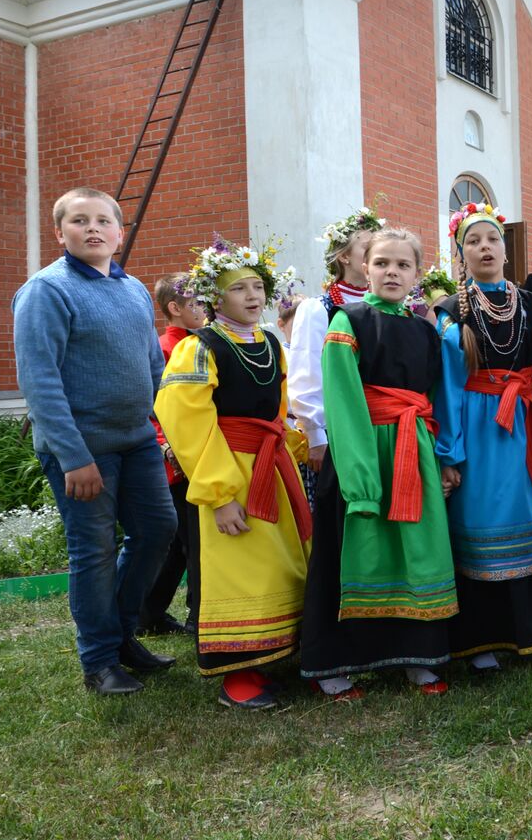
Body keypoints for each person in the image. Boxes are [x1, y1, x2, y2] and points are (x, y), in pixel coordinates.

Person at [12, 187, 178, 695]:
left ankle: (123, 635)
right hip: (84, 452)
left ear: (119, 233)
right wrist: (73, 457)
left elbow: (153, 365)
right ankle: (99, 661)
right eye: (79, 221)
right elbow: (40, 381)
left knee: (156, 530)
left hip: (138, 441)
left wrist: (164, 427)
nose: (93, 229)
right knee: (94, 549)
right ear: (59, 233)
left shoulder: (131, 290)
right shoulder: (47, 291)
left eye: (103, 221)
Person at [300, 228, 458, 699]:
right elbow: (344, 400)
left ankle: (416, 657)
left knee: (414, 551)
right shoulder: (347, 322)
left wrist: (441, 457)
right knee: (348, 552)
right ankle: (333, 663)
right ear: (363, 267)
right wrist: (360, 478)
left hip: (413, 450)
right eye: (383, 263)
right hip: (362, 454)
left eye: (403, 265)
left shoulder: (425, 331)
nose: (392, 272)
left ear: (416, 274)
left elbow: (436, 398)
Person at [153, 236, 310, 709]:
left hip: (272, 466)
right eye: (239, 288)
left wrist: (297, 449)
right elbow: (187, 420)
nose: (253, 296)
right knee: (237, 569)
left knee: (280, 559)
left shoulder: (269, 342)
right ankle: (236, 673)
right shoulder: (200, 349)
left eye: (258, 286)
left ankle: (275, 652)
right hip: (229, 469)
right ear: (214, 297)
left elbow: (278, 411)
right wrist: (219, 494)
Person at [434, 203, 532, 671]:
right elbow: (447, 390)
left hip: (526, 430)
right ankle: (480, 644)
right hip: (477, 434)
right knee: (479, 528)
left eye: (492, 239)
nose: (484, 248)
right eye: (473, 242)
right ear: (462, 255)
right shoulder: (451, 314)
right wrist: (449, 454)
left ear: (505, 248)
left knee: (531, 528)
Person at [289, 205, 384, 504]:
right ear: (344, 256)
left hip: (384, 428)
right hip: (339, 434)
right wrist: (316, 437)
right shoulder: (318, 309)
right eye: (368, 247)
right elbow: (307, 374)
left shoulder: (388, 306)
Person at [138, 274, 207, 637]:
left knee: (184, 545)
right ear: (175, 309)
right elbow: (158, 405)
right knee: (192, 542)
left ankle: (148, 612)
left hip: (201, 454)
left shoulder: (205, 343)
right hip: (177, 460)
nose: (204, 307)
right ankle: (198, 615)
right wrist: (168, 446)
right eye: (196, 301)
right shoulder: (166, 347)